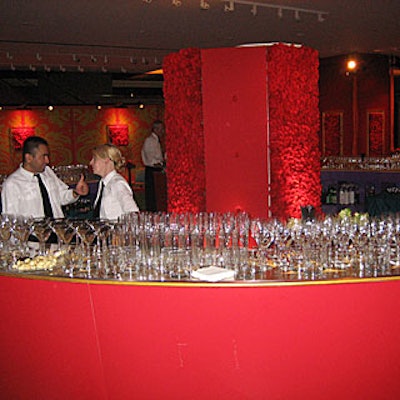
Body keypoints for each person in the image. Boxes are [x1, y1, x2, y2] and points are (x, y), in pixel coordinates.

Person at [1, 136, 89, 218]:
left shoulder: (47, 172)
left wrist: (76, 192)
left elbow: (60, 196)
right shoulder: (12, 184)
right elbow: (10, 221)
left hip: (57, 230)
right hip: (33, 233)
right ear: (28, 158)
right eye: (43, 156)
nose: (47, 161)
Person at [89, 143, 139, 220]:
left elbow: (133, 213)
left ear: (106, 160)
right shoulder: (103, 183)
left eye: (95, 159)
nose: (91, 163)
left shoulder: (118, 184)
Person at [141, 120, 165, 211]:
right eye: (161, 129)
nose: (163, 131)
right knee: (152, 196)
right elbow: (150, 159)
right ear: (155, 129)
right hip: (152, 171)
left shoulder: (156, 141)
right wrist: (159, 164)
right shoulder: (150, 141)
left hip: (156, 171)